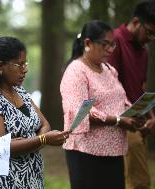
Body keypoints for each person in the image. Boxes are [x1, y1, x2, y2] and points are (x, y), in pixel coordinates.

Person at [0, 36, 69, 189]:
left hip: (32, 176)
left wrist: (28, 142)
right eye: (20, 64)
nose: (25, 69)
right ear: (1, 66)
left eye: (25, 63)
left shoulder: (19, 91)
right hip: (5, 182)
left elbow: (45, 124)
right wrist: (42, 140)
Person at [60, 20, 144, 189]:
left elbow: (120, 99)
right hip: (86, 152)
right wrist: (118, 120)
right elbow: (80, 112)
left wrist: (133, 113)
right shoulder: (76, 71)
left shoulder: (108, 69)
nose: (110, 50)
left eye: (112, 45)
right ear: (88, 43)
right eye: (105, 44)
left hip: (114, 150)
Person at [108, 1, 155, 188]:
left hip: (137, 120)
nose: (151, 39)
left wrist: (151, 116)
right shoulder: (114, 40)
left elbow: (140, 87)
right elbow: (108, 87)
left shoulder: (143, 52)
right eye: (150, 32)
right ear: (136, 22)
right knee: (138, 182)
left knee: (137, 178)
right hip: (119, 120)